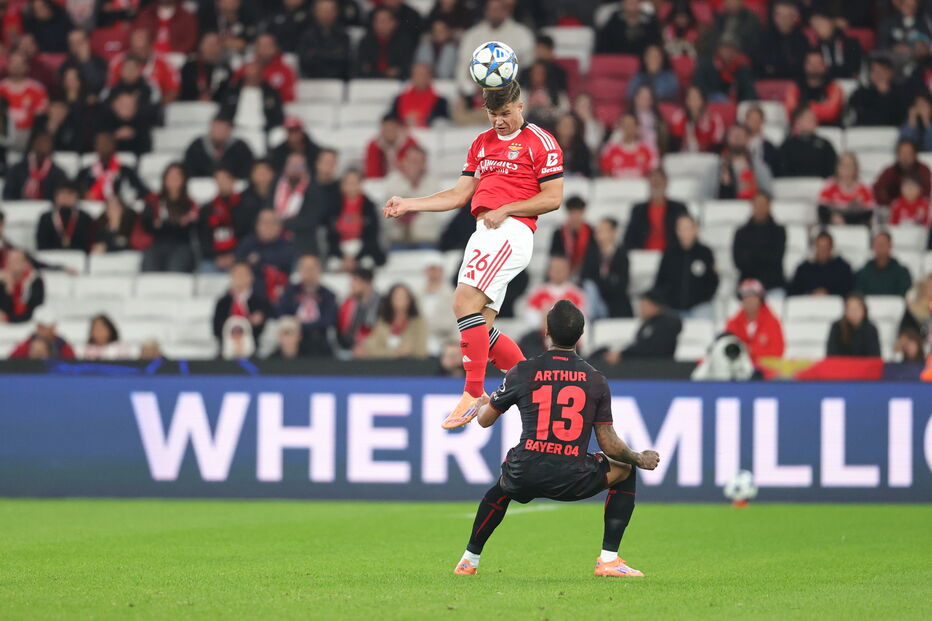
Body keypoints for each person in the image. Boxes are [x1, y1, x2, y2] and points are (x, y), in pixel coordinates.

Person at [383, 81, 563, 427]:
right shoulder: (482, 144)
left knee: (462, 302)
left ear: (520, 105)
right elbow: (458, 194)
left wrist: (509, 209)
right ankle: (532, 386)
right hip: (485, 231)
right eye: (494, 114)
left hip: (510, 231)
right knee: (481, 325)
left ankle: (473, 393)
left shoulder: (540, 141)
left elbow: (553, 197)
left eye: (506, 113)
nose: (500, 121)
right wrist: (409, 204)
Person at [452, 300, 660, 577]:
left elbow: (484, 420)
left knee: (501, 489)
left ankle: (469, 560)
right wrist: (638, 457)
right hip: (572, 476)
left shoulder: (523, 371)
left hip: (525, 471)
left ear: (546, 330)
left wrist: (483, 401)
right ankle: (609, 560)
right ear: (581, 335)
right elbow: (609, 444)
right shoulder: (595, 379)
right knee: (625, 470)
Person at [456, 0, 534, 96]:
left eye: (498, 10)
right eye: (492, 10)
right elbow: (463, 66)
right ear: (486, 11)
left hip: (510, 91)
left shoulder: (522, 34)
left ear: (506, 11)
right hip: (477, 93)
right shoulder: (472, 36)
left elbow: (528, 67)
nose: (495, 13)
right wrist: (471, 90)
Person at [653, 215, 719, 319]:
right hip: (673, 308)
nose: (685, 232)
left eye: (688, 227)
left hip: (699, 306)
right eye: (682, 228)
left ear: (696, 229)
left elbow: (713, 281)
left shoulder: (705, 253)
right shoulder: (669, 253)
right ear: (677, 231)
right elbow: (660, 280)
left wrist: (703, 298)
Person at [276, 254, 338, 357]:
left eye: (312, 268)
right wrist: (293, 326)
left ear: (319, 270)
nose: (309, 272)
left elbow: (329, 319)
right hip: (293, 340)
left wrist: (300, 325)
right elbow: (281, 312)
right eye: (305, 268)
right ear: (299, 270)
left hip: (319, 339)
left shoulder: (328, 295)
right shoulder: (290, 291)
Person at [326, 169, 386, 270]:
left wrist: (356, 258)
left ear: (360, 184)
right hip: (341, 249)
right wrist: (343, 257)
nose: (351, 187)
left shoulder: (369, 207)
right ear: (342, 186)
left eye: (354, 183)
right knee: (332, 264)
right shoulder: (333, 207)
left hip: (363, 249)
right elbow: (330, 236)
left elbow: (372, 236)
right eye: (348, 183)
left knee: (367, 263)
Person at [382, 146, 442, 246]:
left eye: (416, 161)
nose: (412, 165)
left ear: (424, 164)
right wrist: (410, 182)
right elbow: (391, 208)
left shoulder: (432, 182)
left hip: (426, 240)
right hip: (397, 240)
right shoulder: (393, 180)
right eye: (410, 160)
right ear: (404, 161)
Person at [235, 209, 297, 306]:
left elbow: (283, 265)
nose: (267, 226)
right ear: (257, 225)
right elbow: (239, 266)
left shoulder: (287, 245)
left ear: (279, 226)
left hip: (279, 295)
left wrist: (258, 262)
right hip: (250, 296)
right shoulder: (247, 243)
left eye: (272, 222)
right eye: (264, 222)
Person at [623, 167, 688, 251]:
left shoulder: (679, 208)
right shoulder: (638, 210)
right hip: (643, 256)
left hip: (673, 257)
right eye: (653, 180)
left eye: (659, 181)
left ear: (666, 183)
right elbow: (629, 238)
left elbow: (687, 235)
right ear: (648, 183)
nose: (656, 183)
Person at [732, 192, 786, 292]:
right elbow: (738, 261)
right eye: (757, 204)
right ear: (752, 207)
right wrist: (763, 254)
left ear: (769, 206)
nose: (760, 208)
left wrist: (751, 255)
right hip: (748, 283)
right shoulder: (741, 233)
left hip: (773, 284)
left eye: (763, 204)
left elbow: (776, 258)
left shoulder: (779, 231)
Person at [76, 131, 150, 204]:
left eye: (107, 143)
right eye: (101, 143)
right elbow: (75, 190)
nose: (104, 146)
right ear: (95, 146)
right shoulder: (86, 172)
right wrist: (85, 195)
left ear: (114, 145)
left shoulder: (126, 171)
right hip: (91, 210)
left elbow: (142, 191)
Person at [724, 279, 785, 364]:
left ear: (760, 298)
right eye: (745, 297)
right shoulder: (733, 323)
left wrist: (752, 351)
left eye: (752, 296)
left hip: (765, 373)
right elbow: (726, 349)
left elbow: (778, 352)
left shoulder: (772, 322)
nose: (749, 300)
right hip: (739, 370)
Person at [360, 283, 428, 359]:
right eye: (396, 297)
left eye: (403, 297)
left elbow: (421, 351)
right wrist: (395, 352)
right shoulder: (382, 322)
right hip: (385, 367)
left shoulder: (418, 323)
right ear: (390, 299)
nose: (400, 300)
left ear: (410, 300)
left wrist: (408, 351)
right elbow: (371, 349)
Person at [212, 261, 273, 345]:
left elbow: (262, 331)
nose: (240, 278)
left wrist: (256, 323)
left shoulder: (260, 302)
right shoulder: (223, 302)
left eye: (243, 274)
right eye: (237, 274)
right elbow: (216, 329)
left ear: (251, 277)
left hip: (252, 351)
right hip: (226, 350)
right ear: (231, 276)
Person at [581, 218, 631, 318]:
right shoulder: (591, 254)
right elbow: (585, 278)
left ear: (613, 232)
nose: (599, 234)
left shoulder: (621, 255)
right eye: (598, 231)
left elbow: (622, 284)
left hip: (615, 303)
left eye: (603, 230)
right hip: (596, 300)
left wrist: (603, 282)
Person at [0, 51, 49, 151]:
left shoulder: (37, 90)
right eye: (13, 63)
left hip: (28, 137)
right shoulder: (1, 88)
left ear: (27, 67)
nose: (16, 66)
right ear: (8, 66)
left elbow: (40, 118)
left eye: (20, 64)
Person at [198, 167, 243, 272]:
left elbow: (247, 235)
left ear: (233, 181)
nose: (222, 183)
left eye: (225, 179)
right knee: (206, 270)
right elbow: (203, 238)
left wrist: (234, 256)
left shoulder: (245, 206)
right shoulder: (207, 209)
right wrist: (216, 257)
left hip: (238, 257)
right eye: (218, 180)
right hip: (213, 259)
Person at [218, 61, 284, 132]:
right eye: (249, 76)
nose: (252, 78)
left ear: (260, 76)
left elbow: (277, 115)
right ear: (244, 75)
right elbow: (224, 111)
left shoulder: (271, 93)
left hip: (262, 130)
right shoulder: (232, 92)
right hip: (235, 129)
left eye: (255, 75)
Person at [784, 51, 844, 127]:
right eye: (811, 63)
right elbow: (791, 111)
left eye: (818, 63)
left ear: (825, 66)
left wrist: (807, 108)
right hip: (800, 131)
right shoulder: (794, 87)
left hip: (828, 130)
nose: (814, 66)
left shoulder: (834, 87)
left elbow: (832, 112)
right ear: (805, 66)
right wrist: (819, 109)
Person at [2, 131, 67, 200]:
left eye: (46, 142)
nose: (42, 145)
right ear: (33, 144)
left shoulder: (58, 173)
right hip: (19, 208)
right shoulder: (16, 170)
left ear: (52, 146)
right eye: (40, 142)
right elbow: (8, 195)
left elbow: (59, 197)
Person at [183, 116, 254, 179]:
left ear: (229, 131)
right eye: (216, 128)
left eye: (223, 129)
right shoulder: (197, 147)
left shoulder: (241, 148)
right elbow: (188, 170)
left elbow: (248, 171)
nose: (219, 132)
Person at [524, 256, 587, 327]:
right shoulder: (537, 292)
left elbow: (581, 318)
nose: (558, 271)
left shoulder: (577, 294)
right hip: (542, 333)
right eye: (555, 268)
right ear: (548, 270)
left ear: (568, 271)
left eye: (561, 268)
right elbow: (531, 317)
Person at [775, 107, 838, 178]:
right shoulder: (787, 146)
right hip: (793, 186)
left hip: (820, 186)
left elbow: (833, 170)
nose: (813, 120)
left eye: (814, 118)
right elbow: (781, 171)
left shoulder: (825, 145)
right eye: (808, 118)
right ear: (797, 122)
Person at [355, 7, 415, 79]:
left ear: (393, 23)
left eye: (384, 21)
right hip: (370, 83)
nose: (380, 24)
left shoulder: (404, 42)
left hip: (397, 82)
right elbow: (362, 67)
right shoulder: (366, 42)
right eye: (377, 21)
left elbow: (405, 67)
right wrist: (384, 73)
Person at [297, 0, 352, 80]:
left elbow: (344, 60)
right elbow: (305, 61)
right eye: (322, 10)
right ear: (315, 12)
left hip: (338, 80)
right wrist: (332, 54)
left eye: (329, 11)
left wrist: (317, 53)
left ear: (336, 12)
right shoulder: (306, 36)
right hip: (312, 80)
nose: (326, 14)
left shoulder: (344, 36)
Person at [788, 231, 854, 297]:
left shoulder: (843, 268)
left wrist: (829, 294)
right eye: (820, 247)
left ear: (831, 247)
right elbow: (794, 292)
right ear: (815, 247)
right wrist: (811, 294)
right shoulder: (803, 269)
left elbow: (848, 292)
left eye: (826, 247)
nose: (822, 250)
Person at [692, 37, 756, 103]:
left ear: (736, 51)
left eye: (731, 48)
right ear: (718, 49)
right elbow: (698, 85)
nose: (727, 51)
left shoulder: (741, 69)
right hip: (709, 104)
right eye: (725, 47)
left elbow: (749, 92)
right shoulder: (706, 65)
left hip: (736, 105)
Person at [756, 0, 809, 80]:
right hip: (770, 82)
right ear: (774, 17)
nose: (784, 20)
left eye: (788, 16)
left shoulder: (802, 39)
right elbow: (762, 65)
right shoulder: (764, 38)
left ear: (794, 18)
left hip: (797, 83)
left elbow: (803, 66)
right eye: (780, 16)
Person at [818, 153, 875, 225]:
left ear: (856, 168)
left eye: (850, 165)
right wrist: (832, 217)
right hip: (834, 227)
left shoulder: (864, 189)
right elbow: (822, 211)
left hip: (856, 229)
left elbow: (869, 213)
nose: (846, 169)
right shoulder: (829, 186)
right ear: (837, 167)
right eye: (843, 165)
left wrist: (848, 220)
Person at [847, 57, 906, 127]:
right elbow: (854, 104)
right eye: (874, 71)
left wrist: (884, 93)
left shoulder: (900, 92)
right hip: (866, 131)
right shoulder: (864, 91)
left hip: (892, 131)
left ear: (890, 73)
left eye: (880, 72)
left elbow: (898, 115)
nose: (877, 75)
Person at [36, 182, 94, 252]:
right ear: (55, 196)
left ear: (77, 197)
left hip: (78, 258)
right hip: (50, 257)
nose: (66, 197)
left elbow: (89, 243)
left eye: (70, 194)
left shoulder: (85, 218)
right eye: (62, 194)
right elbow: (41, 244)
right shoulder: (46, 218)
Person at [416, 255, 456, 355]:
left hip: (444, 345)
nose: (433, 274)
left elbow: (448, 325)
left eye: (436, 270)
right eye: (430, 270)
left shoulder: (452, 294)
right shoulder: (418, 294)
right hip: (420, 345)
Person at [390, 63, 449, 128]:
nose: (419, 78)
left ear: (430, 78)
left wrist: (420, 120)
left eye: (423, 75)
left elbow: (442, 122)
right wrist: (404, 121)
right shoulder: (399, 99)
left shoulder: (440, 101)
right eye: (416, 74)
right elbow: (391, 119)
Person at [854, 231, 913, 297]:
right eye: (877, 244)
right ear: (873, 247)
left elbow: (906, 295)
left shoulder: (902, 273)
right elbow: (858, 295)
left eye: (883, 244)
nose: (880, 248)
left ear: (890, 246)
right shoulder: (863, 273)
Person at [874, 139, 932, 205]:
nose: (905, 156)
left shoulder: (923, 170)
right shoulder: (889, 171)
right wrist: (895, 204)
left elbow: (926, 192)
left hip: (918, 207)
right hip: (891, 207)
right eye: (902, 153)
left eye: (908, 153)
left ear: (915, 154)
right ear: (897, 155)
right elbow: (878, 190)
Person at [600, 113, 657, 178]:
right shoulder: (610, 150)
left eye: (631, 125)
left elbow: (653, 173)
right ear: (620, 127)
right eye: (625, 125)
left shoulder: (648, 150)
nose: (628, 128)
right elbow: (605, 173)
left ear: (637, 127)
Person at [809, 11, 862, 80]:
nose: (818, 28)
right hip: (827, 84)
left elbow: (854, 71)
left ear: (831, 22)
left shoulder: (850, 43)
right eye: (815, 26)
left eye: (820, 23)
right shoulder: (817, 48)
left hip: (848, 83)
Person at [670, 86, 725, 153]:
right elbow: (675, 142)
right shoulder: (679, 116)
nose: (693, 101)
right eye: (690, 98)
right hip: (683, 157)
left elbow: (717, 143)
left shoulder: (714, 118)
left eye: (696, 97)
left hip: (707, 156)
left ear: (703, 100)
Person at [337, 267, 381, 351]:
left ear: (366, 283)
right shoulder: (349, 304)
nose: (351, 285)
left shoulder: (382, 305)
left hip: (373, 349)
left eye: (355, 280)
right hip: (348, 348)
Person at [595, 0, 661, 56]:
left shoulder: (649, 23)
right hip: (618, 63)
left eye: (634, 3)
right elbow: (603, 48)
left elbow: (655, 46)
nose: (632, 6)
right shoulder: (613, 22)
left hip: (643, 66)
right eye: (629, 3)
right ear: (623, 4)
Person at [179, 32, 231, 102]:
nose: (212, 47)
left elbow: (228, 93)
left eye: (216, 44)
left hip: (217, 107)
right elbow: (184, 91)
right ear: (200, 46)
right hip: (191, 106)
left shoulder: (226, 69)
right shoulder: (189, 67)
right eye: (209, 44)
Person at [364, 115, 420, 179]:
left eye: (392, 128)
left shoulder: (410, 143)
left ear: (399, 128)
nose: (389, 132)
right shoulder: (374, 145)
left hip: (406, 182)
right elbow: (372, 171)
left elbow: (415, 167)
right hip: (381, 183)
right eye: (386, 129)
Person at [7, 307, 75, 359]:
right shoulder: (26, 344)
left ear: (54, 327)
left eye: (45, 327)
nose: (42, 330)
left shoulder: (63, 346)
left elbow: (73, 366)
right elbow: (11, 363)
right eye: (40, 326)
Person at [133, 0, 198, 54]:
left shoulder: (186, 17)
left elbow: (190, 41)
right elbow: (138, 36)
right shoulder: (146, 14)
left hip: (176, 57)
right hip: (148, 57)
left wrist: (177, 53)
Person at [717, 124, 763, 199]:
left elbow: (767, 194)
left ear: (747, 139)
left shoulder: (758, 167)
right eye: (734, 135)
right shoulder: (716, 167)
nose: (737, 138)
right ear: (727, 138)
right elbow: (706, 196)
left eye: (741, 135)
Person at [0, 249, 44, 323]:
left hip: (28, 325)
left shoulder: (35, 280)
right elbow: (3, 309)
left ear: (26, 263)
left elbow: (34, 311)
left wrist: (8, 318)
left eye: (16, 261)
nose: (11, 264)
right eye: (9, 261)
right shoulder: (3, 280)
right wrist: (9, 289)